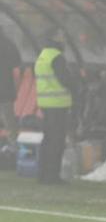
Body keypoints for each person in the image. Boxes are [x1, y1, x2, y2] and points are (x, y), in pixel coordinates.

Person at [35, 27, 79, 184]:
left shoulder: (43, 55)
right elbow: (65, 80)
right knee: (57, 141)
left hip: (46, 104)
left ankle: (43, 174)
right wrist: (76, 84)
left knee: (48, 140)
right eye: (61, 35)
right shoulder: (57, 57)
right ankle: (52, 176)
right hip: (58, 105)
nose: (64, 38)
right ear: (54, 37)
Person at [0, 27, 22, 147]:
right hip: (6, 89)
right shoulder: (9, 44)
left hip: (5, 89)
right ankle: (14, 148)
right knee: (9, 121)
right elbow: (17, 67)